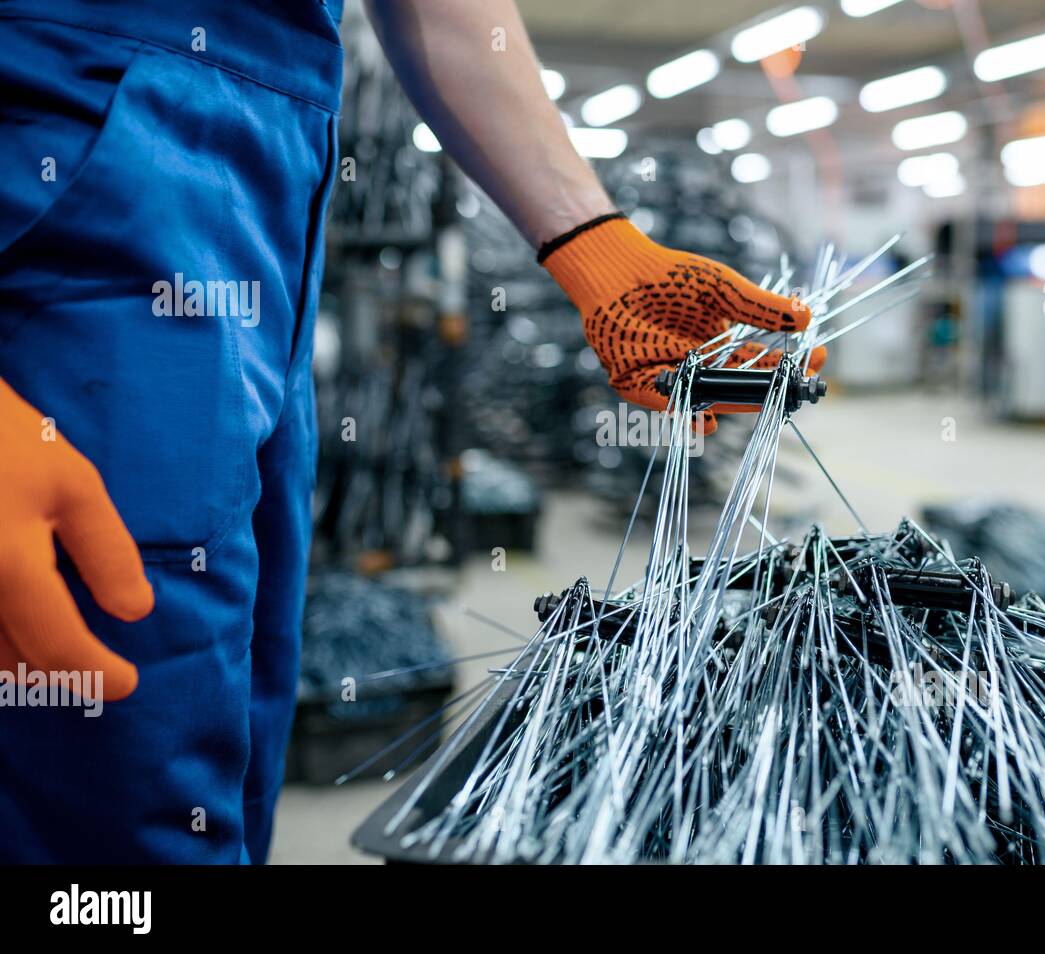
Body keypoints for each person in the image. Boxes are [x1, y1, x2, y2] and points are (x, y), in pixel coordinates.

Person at [0, 0, 819, 862]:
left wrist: (593, 243)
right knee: (106, 790)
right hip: (77, 143)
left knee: (221, 740)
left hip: (268, 175)